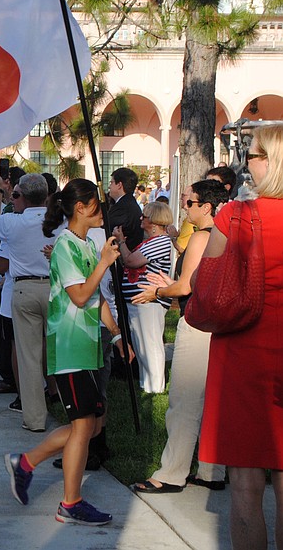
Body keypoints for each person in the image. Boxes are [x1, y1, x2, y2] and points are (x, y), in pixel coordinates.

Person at [5, 178, 127, 526]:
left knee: (89, 425)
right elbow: (78, 296)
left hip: (88, 345)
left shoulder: (86, 245)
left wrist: (116, 335)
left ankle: (26, 464)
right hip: (70, 346)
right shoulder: (66, 246)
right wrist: (104, 262)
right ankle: (69, 502)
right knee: (83, 424)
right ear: (81, 208)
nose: (102, 211)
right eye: (97, 205)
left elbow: (96, 296)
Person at [198, 124, 283, 550]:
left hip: (242, 355)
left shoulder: (233, 216)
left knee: (246, 486)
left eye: (252, 155)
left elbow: (204, 283)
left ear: (273, 161)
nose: (245, 163)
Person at [131, 179, 229, 494]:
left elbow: (187, 287)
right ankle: (213, 471)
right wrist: (169, 282)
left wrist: (158, 290)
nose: (184, 206)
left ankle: (172, 473)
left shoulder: (202, 237)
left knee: (183, 401)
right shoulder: (224, 234)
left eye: (190, 202)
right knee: (212, 400)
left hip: (198, 323)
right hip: (217, 325)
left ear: (206, 207)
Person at [0, 174, 58, 432]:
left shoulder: (12, 222)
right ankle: (61, 398)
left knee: (28, 355)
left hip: (25, 288)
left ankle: (35, 417)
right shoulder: (58, 221)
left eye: (16, 195)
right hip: (55, 286)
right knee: (56, 349)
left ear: (24, 198)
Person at [113, 201, 172, 394]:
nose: (141, 218)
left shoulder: (161, 241)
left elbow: (130, 260)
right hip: (139, 300)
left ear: (154, 222)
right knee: (141, 344)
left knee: (150, 343)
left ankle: (155, 386)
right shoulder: (150, 241)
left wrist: (121, 241)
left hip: (149, 300)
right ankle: (147, 383)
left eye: (144, 216)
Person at [107, 167, 143, 250]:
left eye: (111, 183)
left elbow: (106, 228)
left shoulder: (123, 208)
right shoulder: (128, 203)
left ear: (119, 185)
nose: (109, 187)